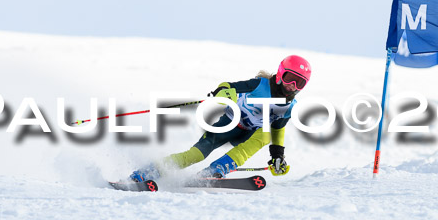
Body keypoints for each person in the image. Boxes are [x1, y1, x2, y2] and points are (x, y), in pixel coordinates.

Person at [129, 55, 312, 181]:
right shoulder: (259, 85)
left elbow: (278, 130)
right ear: (281, 73)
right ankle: (147, 172)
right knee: (195, 155)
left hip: (250, 135)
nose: (292, 86)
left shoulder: (289, 107)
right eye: (290, 78)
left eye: (300, 82)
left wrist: (277, 156)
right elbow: (228, 86)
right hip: (229, 125)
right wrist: (225, 94)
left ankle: (216, 170)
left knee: (266, 134)